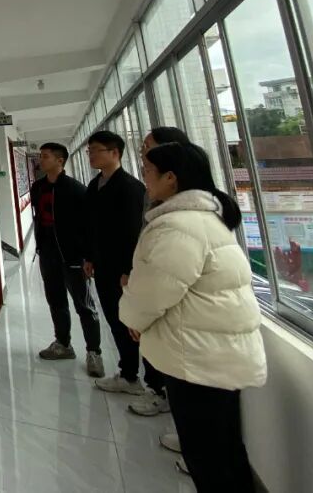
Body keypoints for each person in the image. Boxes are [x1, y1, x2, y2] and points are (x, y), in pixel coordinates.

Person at [120, 142, 266, 491]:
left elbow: (155, 291)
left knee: (208, 458)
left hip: (197, 356)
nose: (144, 177)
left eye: (148, 171)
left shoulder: (178, 227)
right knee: (226, 451)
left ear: (171, 178)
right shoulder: (203, 218)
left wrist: (133, 318)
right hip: (213, 350)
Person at [128, 126, 193, 418]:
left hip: (182, 309)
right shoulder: (155, 197)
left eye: (148, 147)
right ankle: (159, 391)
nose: (143, 153)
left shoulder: (185, 216)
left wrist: (139, 313)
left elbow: (170, 273)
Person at [31, 142, 104, 377]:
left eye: (45, 156)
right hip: (48, 254)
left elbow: (89, 226)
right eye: (41, 156)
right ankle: (63, 343)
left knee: (84, 305)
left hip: (72, 256)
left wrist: (88, 256)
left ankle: (94, 352)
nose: (41, 160)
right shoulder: (38, 187)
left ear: (60, 160)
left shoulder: (75, 189)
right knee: (56, 300)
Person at [82, 131, 147, 394]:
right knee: (115, 319)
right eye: (89, 151)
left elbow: (134, 233)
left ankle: (144, 380)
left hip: (123, 271)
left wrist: (128, 270)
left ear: (115, 153)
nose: (91, 155)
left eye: (96, 150)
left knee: (129, 323)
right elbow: (90, 226)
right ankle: (129, 373)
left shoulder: (131, 188)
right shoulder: (94, 185)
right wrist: (89, 257)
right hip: (102, 265)